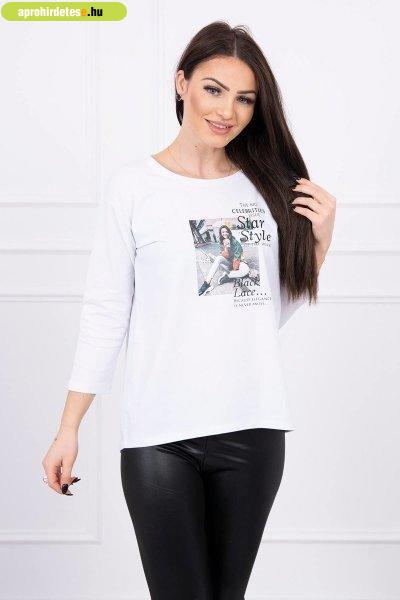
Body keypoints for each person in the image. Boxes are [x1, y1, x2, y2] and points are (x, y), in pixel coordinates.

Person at [42, 20, 336, 599]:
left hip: (251, 430)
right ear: (182, 84)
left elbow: (260, 312)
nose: (227, 110)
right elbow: (106, 311)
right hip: (160, 436)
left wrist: (320, 244)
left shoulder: (266, 189)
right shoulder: (134, 187)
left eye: (244, 98)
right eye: (213, 89)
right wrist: (68, 428)